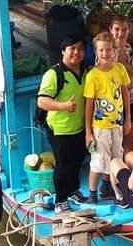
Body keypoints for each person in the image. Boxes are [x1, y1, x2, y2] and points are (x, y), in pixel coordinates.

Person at [36, 33, 89, 214]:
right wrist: (63, 106)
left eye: (81, 48)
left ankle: (73, 191)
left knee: (77, 161)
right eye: (72, 48)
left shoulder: (86, 70)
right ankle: (60, 200)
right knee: (63, 165)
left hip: (80, 127)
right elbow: (42, 101)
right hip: (60, 130)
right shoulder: (54, 74)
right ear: (63, 51)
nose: (77, 52)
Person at [84, 31, 131, 204]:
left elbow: (125, 94)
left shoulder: (119, 69)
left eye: (108, 49)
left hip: (117, 124)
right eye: (101, 50)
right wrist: (88, 132)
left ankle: (107, 189)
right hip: (100, 126)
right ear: (96, 52)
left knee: (115, 158)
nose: (105, 54)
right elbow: (88, 106)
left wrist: (127, 119)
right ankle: (92, 195)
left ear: (113, 50)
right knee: (98, 161)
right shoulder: (92, 76)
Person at [109, 14, 133, 153]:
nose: (120, 33)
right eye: (117, 29)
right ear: (111, 30)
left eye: (124, 30)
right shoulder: (105, 51)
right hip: (113, 104)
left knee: (130, 144)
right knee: (115, 146)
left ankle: (131, 173)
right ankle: (117, 173)